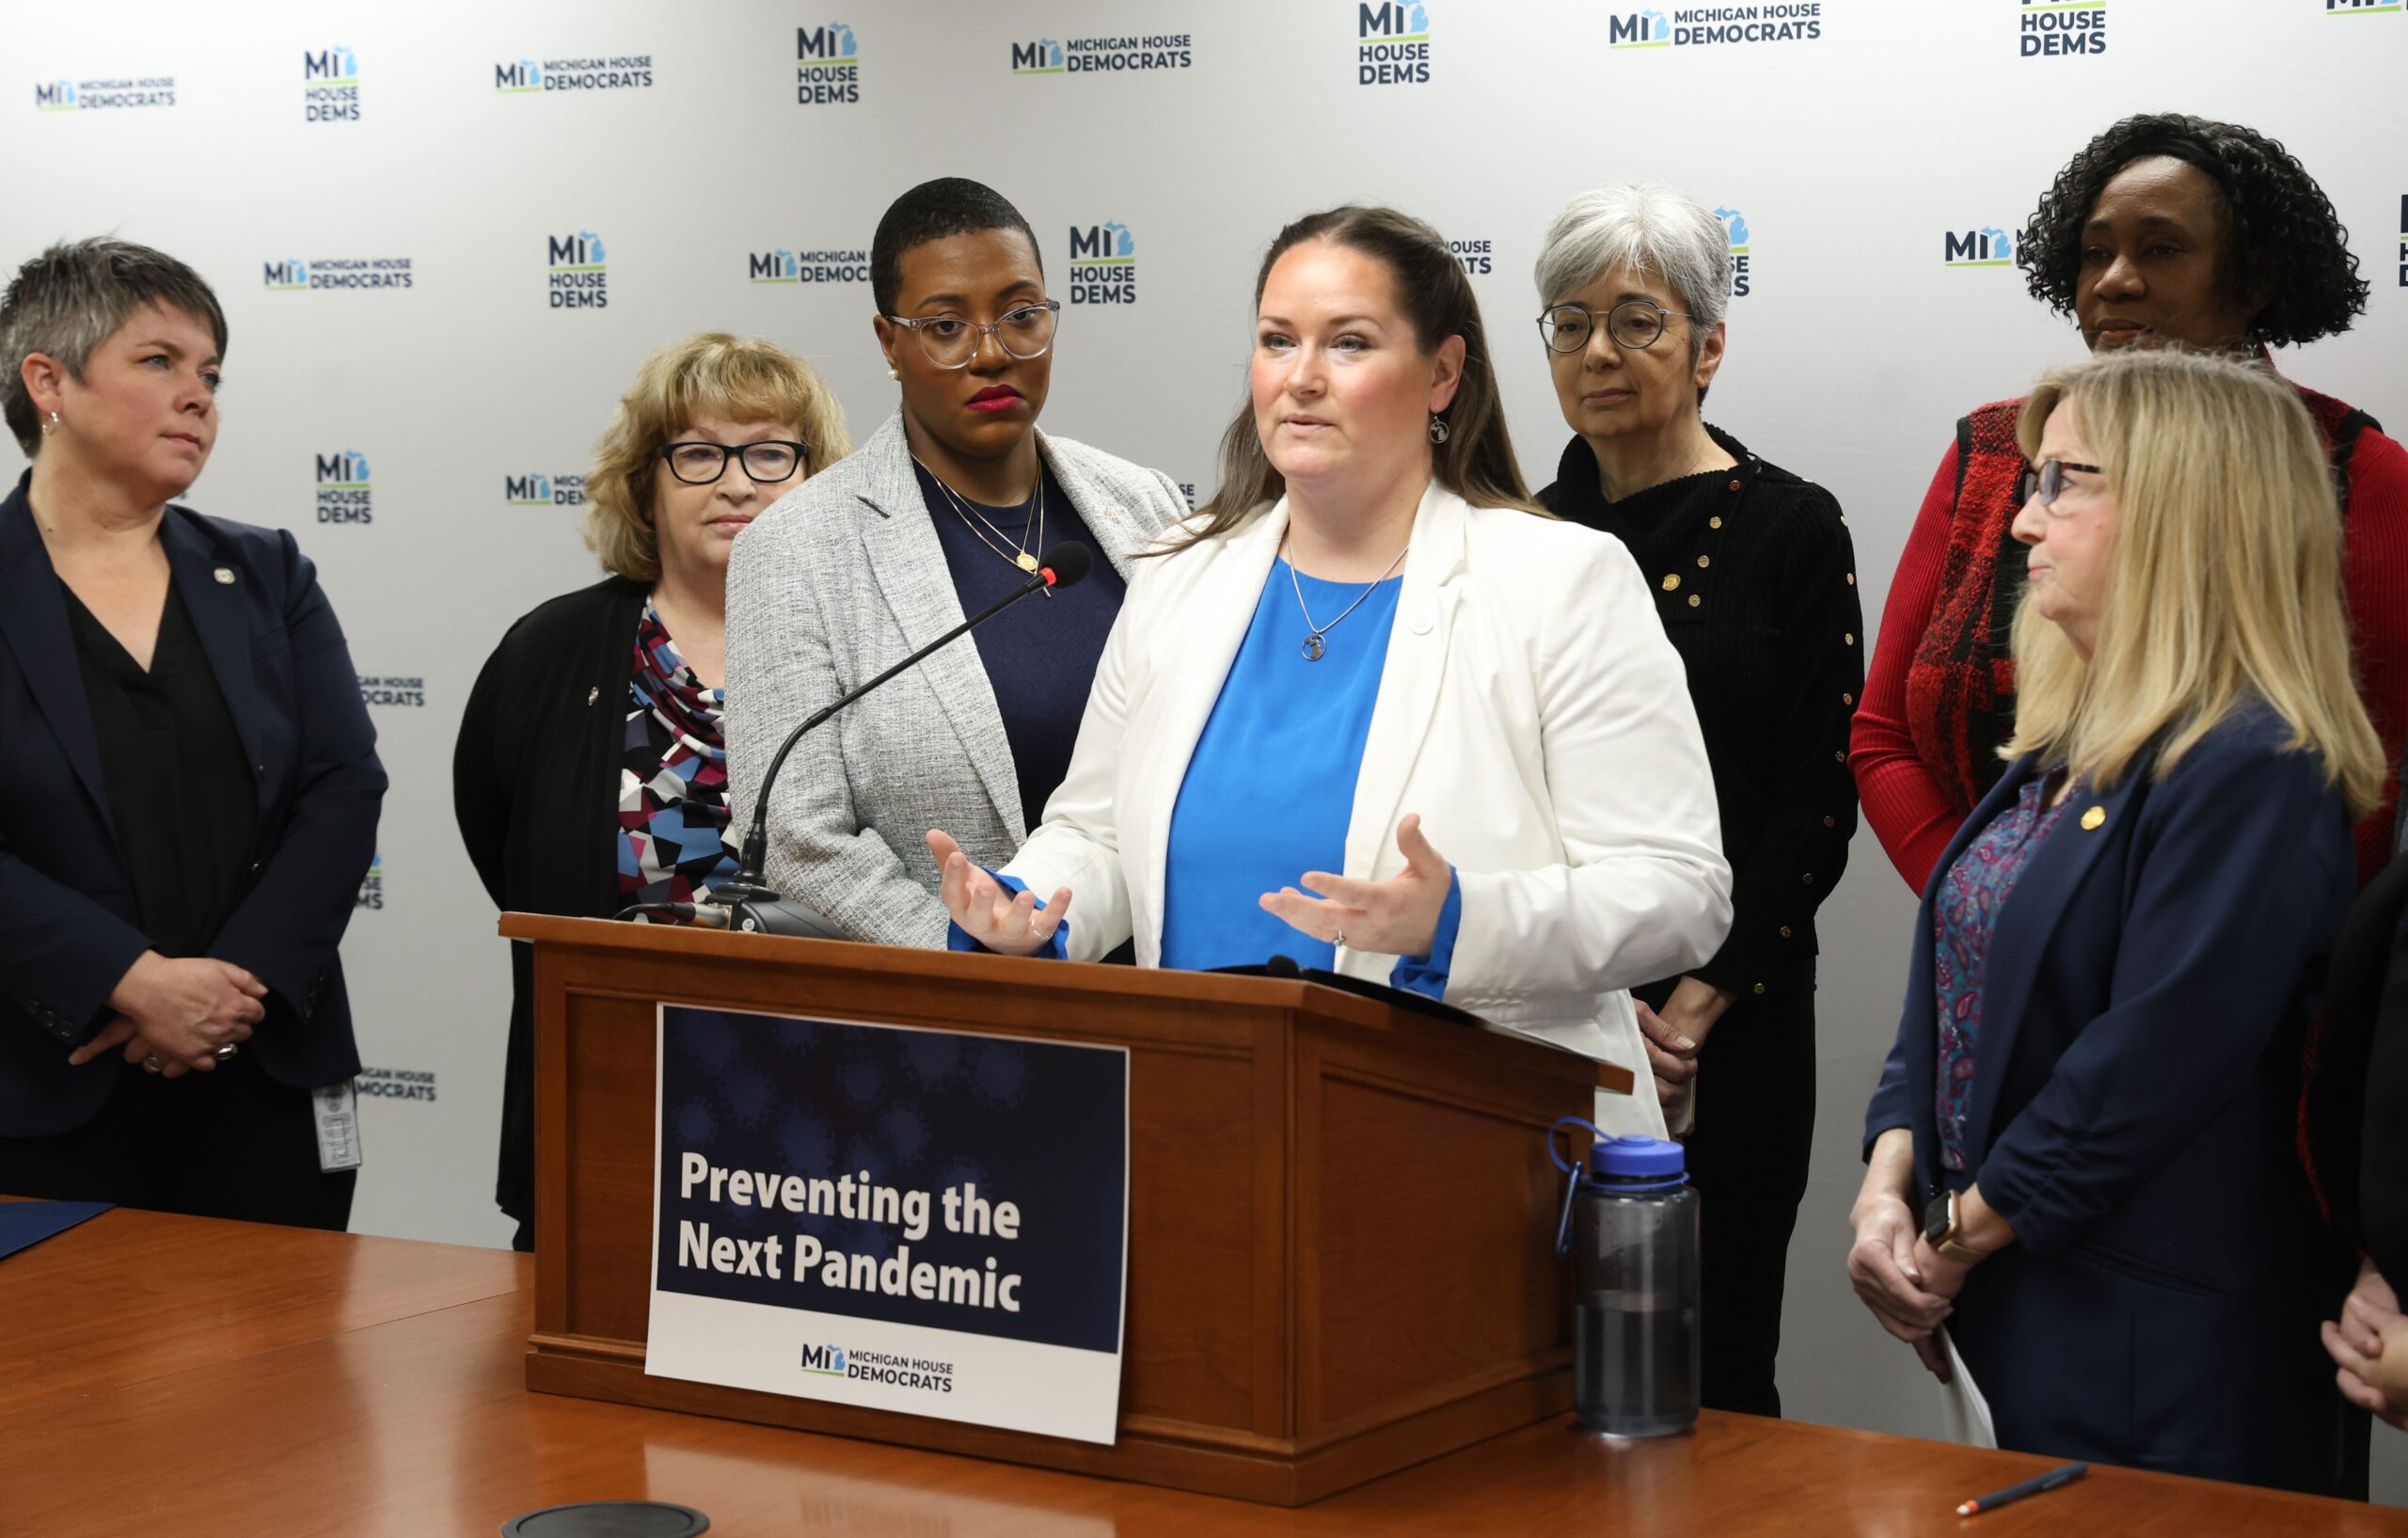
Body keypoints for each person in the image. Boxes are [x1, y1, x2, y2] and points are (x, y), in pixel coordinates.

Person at [929, 205, 1732, 1134]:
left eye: (1348, 343)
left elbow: (1679, 893)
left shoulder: (1557, 582)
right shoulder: (1179, 573)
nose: (1300, 379)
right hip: (1195, 1123)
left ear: (1441, 374)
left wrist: (1461, 920)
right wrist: (1031, 905)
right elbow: (1098, 832)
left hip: (1465, 1145)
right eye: (1277, 341)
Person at [1849, 347, 2385, 1494]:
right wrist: (1887, 1176)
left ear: (2188, 509)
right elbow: (1953, 985)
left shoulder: (2255, 761)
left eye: (2064, 482)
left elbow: (2148, 1068)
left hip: (2164, 1364)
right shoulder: (2066, 742)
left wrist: (1948, 1239)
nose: (2020, 527)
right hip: (2024, 1313)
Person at [1852, 112, 2408, 892]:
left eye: (2162, 248)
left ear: (2253, 278)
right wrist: (1985, 905)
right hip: (1993, 964)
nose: (2113, 279)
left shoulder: (2357, 471)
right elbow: (1883, 736)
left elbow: (2375, 770)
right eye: (2094, 253)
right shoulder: (1993, 452)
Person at [1529, 182, 1859, 1417]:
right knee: (1535, 1372)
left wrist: (1687, 1014)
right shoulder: (1514, 530)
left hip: (1737, 1019)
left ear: (1710, 345)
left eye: (1636, 321)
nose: (1598, 352)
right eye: (1569, 323)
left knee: (1713, 1371)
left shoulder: (1791, 526)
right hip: (1547, 1005)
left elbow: (1815, 803)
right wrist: (1601, 999)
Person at [0, 238, 384, 1229]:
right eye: (159, 362)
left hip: (262, 1080)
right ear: (49, 380)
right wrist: (128, 982)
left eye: (211, 372)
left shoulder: (267, 573)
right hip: (42, 1093)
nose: (199, 396)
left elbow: (344, 788)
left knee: (288, 1380)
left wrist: (224, 997)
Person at [453, 332, 848, 1251]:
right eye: (700, 453)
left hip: (834, 1120)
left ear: (815, 478)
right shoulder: (550, 654)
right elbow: (509, 843)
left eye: (770, 454)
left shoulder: (869, 649)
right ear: (647, 479)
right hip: (612, 1107)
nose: (737, 483)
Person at [726, 177, 1187, 950]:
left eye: (1021, 316)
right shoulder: (796, 548)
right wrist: (972, 959)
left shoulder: (1146, 504)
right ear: (889, 343)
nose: (991, 354)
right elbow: (800, 838)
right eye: (945, 326)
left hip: (1165, 988)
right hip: (948, 1017)